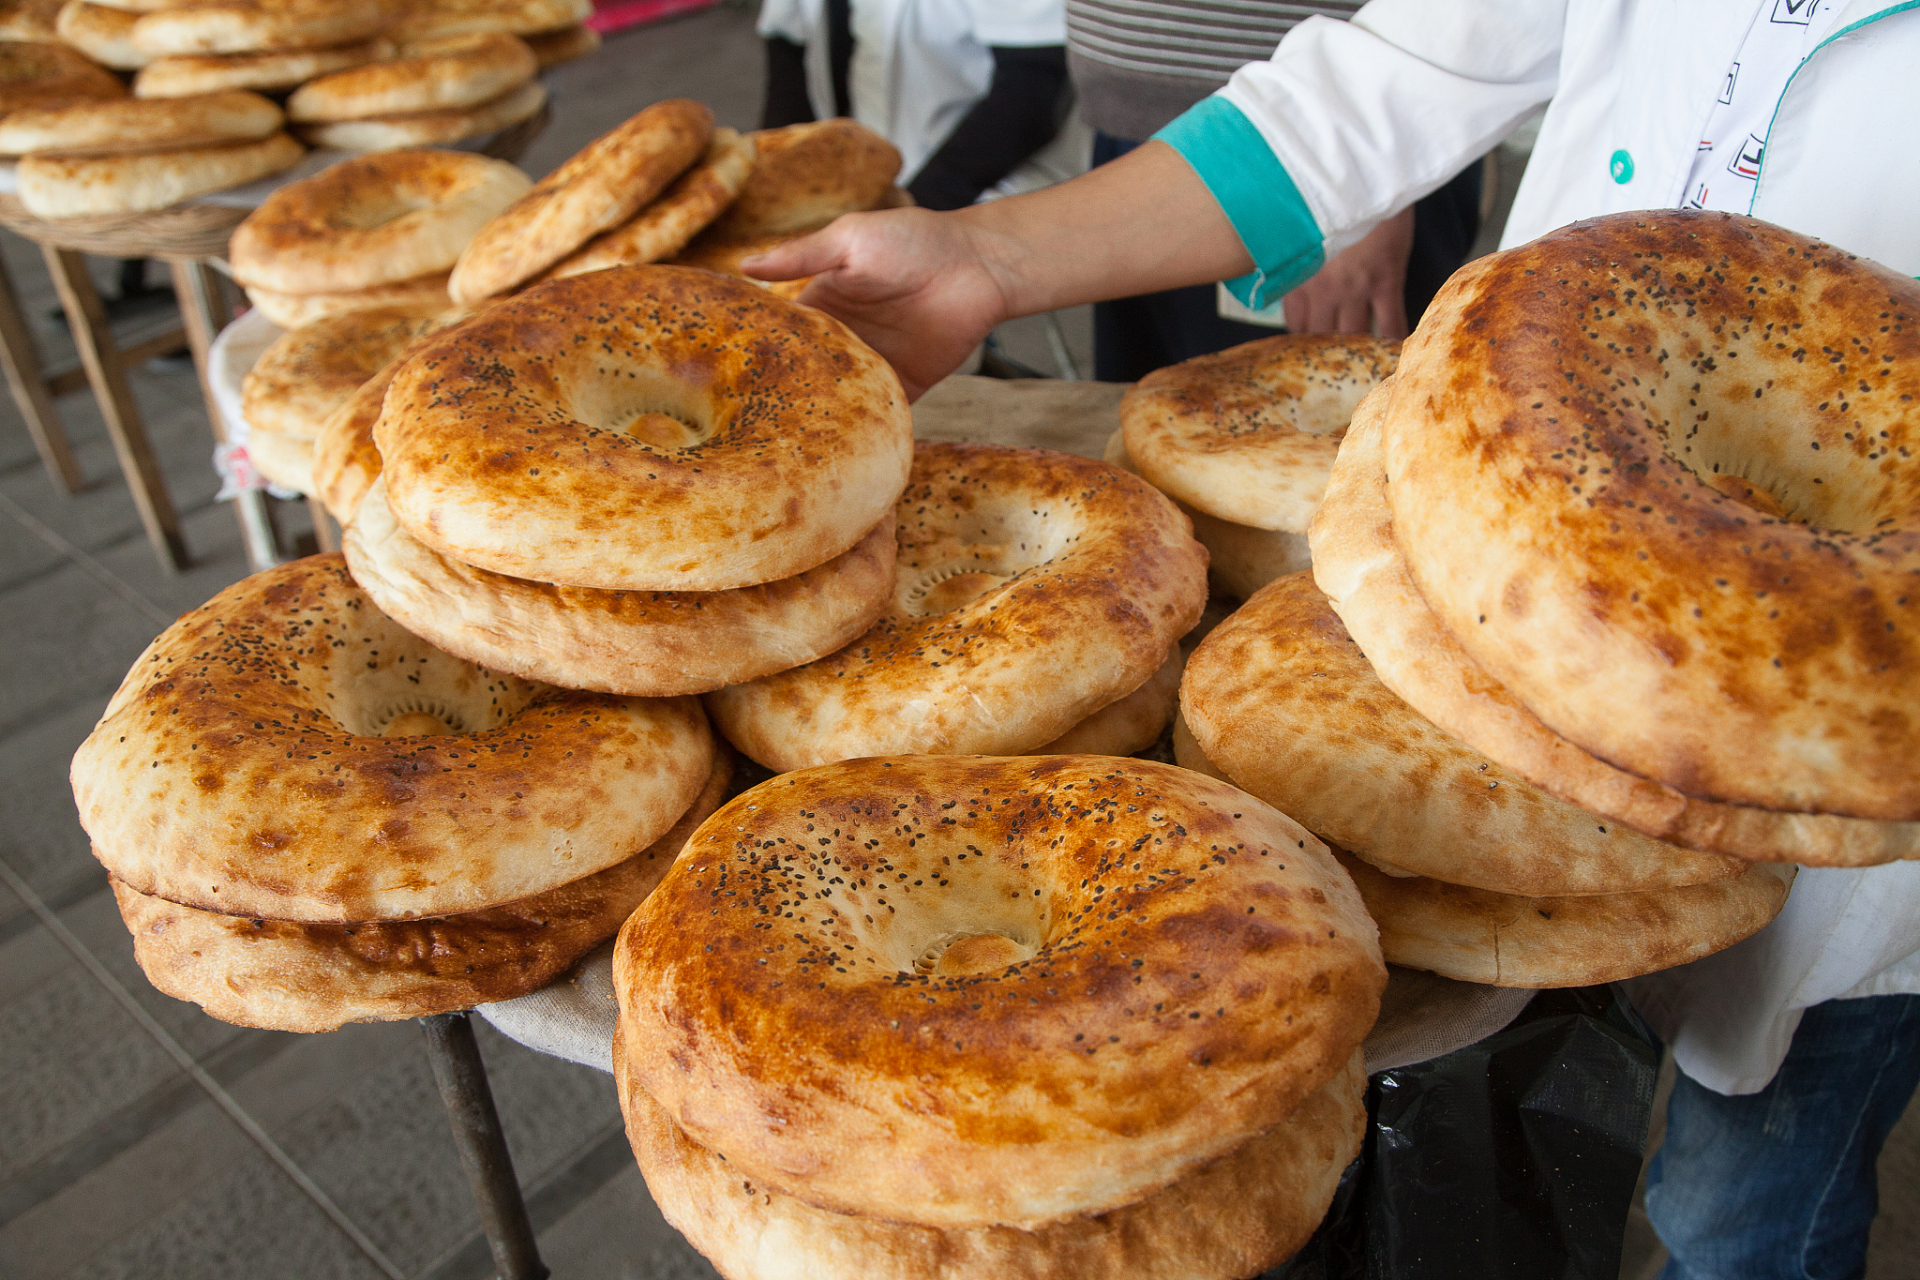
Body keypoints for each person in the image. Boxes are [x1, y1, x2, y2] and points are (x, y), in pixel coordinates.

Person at [742, 4, 1920, 1277]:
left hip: (1862, 745)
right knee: (1547, 1098)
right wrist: (984, 257)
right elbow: (1377, 88)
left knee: (1736, 1199)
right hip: (1497, 594)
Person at [1064, 0, 1482, 378]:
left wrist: (1362, 173)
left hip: (1314, 141)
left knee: (1319, 435)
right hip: (1133, 121)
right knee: (1141, 416)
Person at [756, 0, 1074, 211]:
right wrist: (779, 172)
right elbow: (787, 38)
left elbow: (1035, 86)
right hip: (848, 185)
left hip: (978, 191)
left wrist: (916, 204)